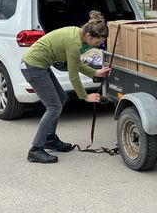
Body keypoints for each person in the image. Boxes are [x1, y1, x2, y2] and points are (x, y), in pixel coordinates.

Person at [21, 11, 111, 164]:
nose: (99, 45)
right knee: (54, 107)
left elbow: (75, 63)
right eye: (98, 42)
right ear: (89, 36)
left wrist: (95, 72)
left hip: (40, 66)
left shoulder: (78, 34)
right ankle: (35, 149)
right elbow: (73, 75)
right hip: (33, 67)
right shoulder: (74, 43)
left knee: (61, 98)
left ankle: (49, 139)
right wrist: (85, 96)